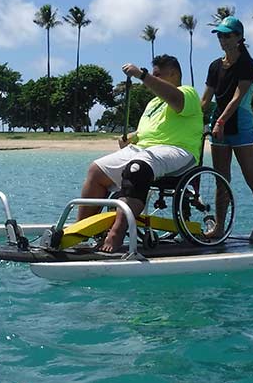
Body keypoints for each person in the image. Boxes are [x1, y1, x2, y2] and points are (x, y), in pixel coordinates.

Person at [78, 55, 203, 252]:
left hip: (177, 150)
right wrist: (131, 138)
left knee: (137, 168)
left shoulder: (188, 93)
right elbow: (148, 132)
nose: (153, 79)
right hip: (144, 149)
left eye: (158, 75)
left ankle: (116, 233)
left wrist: (142, 75)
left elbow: (175, 100)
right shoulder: (153, 103)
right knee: (96, 170)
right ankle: (79, 233)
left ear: (174, 74)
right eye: (153, 75)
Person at [201, 16, 253, 242]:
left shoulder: (246, 64)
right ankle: (219, 227)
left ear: (239, 37)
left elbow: (237, 98)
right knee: (221, 179)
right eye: (220, 35)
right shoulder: (214, 66)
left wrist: (221, 122)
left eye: (228, 35)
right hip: (218, 124)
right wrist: (191, 119)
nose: (223, 39)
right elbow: (205, 100)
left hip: (239, 124)